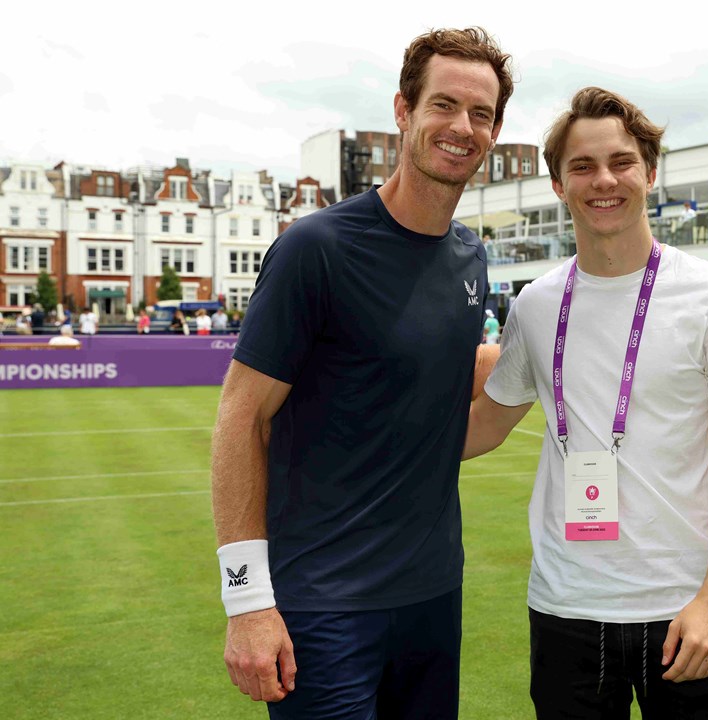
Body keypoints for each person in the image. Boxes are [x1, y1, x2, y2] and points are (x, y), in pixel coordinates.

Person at [210, 27, 514, 719]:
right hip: (324, 606)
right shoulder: (315, 248)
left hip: (434, 599)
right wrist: (248, 600)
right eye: (444, 105)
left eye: (482, 114)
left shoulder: (471, 257)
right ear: (404, 112)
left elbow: (440, 398)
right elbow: (241, 417)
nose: (462, 127)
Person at [464, 87, 708, 719]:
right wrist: (352, 428)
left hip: (683, 612)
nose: (603, 180)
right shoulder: (535, 303)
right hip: (566, 609)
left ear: (649, 173)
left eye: (621, 162)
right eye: (582, 166)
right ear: (557, 183)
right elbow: (483, 428)